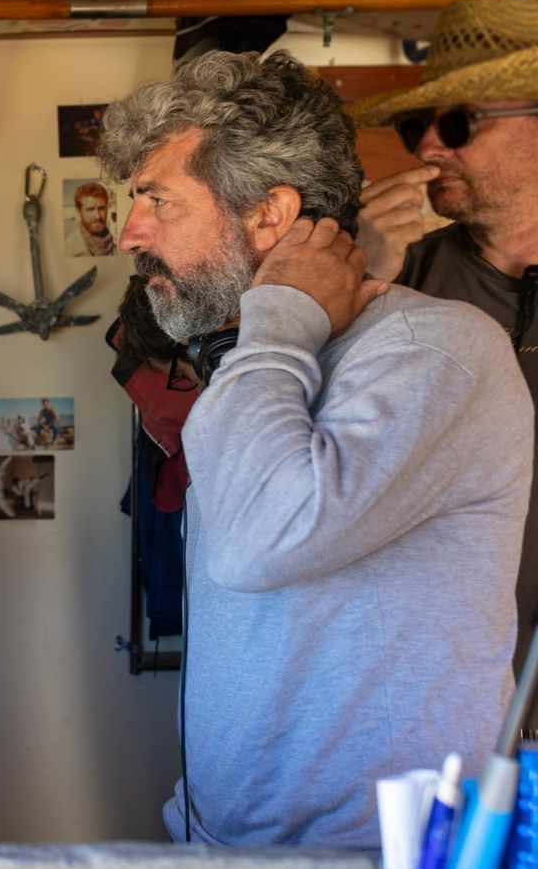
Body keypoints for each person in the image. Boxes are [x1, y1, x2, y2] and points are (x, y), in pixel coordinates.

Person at [100, 50, 531, 851]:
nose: (130, 236)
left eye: (157, 201)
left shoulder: (436, 351)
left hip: (380, 850)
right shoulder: (249, 363)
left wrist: (279, 314)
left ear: (271, 215)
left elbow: (260, 542)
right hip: (223, 841)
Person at [349, 0, 538, 680]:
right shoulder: (401, 277)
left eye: (460, 123)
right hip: (441, 677)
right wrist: (362, 278)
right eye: (416, 127)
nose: (430, 148)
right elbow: (328, 457)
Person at [64, 181, 117, 257]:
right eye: (90, 209)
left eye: (101, 208)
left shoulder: (117, 244)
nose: (97, 216)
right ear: (78, 212)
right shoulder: (68, 249)